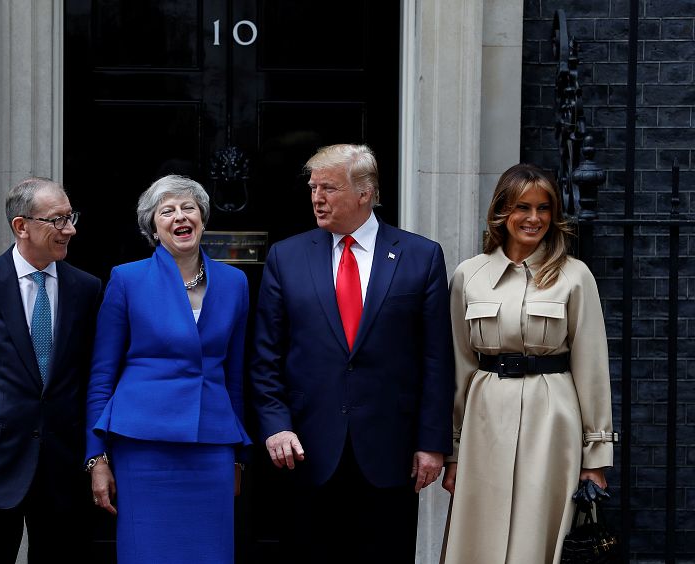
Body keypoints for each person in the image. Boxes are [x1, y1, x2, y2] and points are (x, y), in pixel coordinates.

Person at [251, 144, 455, 563]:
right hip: (305, 451)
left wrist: (433, 444)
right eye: (313, 187)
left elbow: (436, 359)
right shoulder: (286, 257)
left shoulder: (421, 256)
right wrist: (275, 425)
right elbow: (265, 356)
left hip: (391, 454)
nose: (317, 197)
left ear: (366, 192)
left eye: (329, 187)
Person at [441, 163, 617, 564]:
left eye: (543, 209)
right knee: (479, 533)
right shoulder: (469, 275)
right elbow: (458, 366)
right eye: (523, 207)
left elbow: (592, 368)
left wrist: (595, 458)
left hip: (552, 418)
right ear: (502, 212)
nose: (533, 218)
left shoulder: (575, 276)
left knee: (539, 532)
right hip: (484, 419)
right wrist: (451, 451)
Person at [0, 177, 102, 564]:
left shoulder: (87, 289)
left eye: (70, 217)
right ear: (21, 226)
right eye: (58, 220)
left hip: (61, 468)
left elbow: (92, 374)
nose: (70, 229)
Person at [86, 174, 252, 563]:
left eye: (189, 208)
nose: (181, 216)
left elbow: (235, 375)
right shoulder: (127, 279)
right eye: (168, 211)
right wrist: (97, 458)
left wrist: (239, 456)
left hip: (211, 445)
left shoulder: (234, 282)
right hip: (142, 445)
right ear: (154, 227)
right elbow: (101, 376)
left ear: (203, 219)